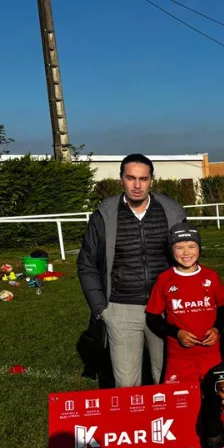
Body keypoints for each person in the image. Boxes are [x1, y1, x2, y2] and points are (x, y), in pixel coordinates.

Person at [78, 154, 188, 387]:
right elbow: (86, 263)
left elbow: (188, 255)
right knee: (127, 384)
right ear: (121, 179)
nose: (137, 185)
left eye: (143, 179)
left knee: (168, 379)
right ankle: (133, 424)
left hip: (165, 308)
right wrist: (101, 309)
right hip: (121, 307)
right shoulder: (104, 215)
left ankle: (167, 424)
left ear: (151, 180)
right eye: (131, 178)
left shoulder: (171, 211)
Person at [144, 224, 224, 385]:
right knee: (179, 402)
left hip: (210, 353)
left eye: (192, 246)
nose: (186, 253)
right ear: (171, 250)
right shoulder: (165, 280)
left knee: (214, 398)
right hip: (179, 355)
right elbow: (152, 317)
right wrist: (176, 333)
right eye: (179, 248)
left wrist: (217, 328)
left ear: (199, 248)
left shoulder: (211, 276)